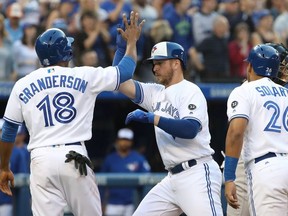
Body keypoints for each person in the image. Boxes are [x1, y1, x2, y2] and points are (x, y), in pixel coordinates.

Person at [0, 11, 144, 216]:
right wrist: (128, 45)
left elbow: (8, 131)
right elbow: (124, 73)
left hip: (41, 159)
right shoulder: (84, 74)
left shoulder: (22, 84)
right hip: (73, 156)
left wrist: (3, 167)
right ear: (66, 53)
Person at [115, 23, 223, 214]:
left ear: (176, 63)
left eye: (160, 63)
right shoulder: (155, 92)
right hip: (172, 178)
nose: (155, 68)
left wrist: (153, 118)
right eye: (154, 64)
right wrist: (124, 48)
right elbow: (121, 83)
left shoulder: (190, 90)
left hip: (196, 172)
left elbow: (189, 129)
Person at [224, 44, 288, 215]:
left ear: (250, 66)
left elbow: (236, 132)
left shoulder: (244, 90)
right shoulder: (285, 93)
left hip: (265, 168)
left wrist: (229, 178)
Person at [100, 127, 151, 216]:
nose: (124, 142)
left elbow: (148, 179)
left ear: (131, 142)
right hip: (112, 203)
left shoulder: (138, 158)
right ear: (117, 141)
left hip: (132, 204)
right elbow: (101, 183)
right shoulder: (110, 159)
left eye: (127, 140)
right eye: (122, 139)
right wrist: (101, 202)